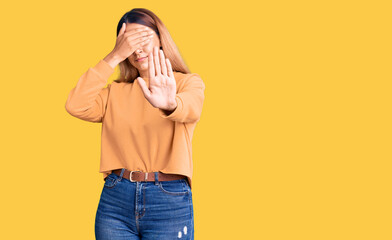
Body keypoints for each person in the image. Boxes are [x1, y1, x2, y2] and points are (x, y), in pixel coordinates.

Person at [64, 8, 205, 240]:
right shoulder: (115, 93)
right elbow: (75, 105)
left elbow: (191, 108)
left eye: (142, 38)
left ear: (161, 38)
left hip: (168, 200)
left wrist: (169, 104)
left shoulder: (187, 83)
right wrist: (113, 57)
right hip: (116, 198)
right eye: (128, 43)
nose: (136, 49)